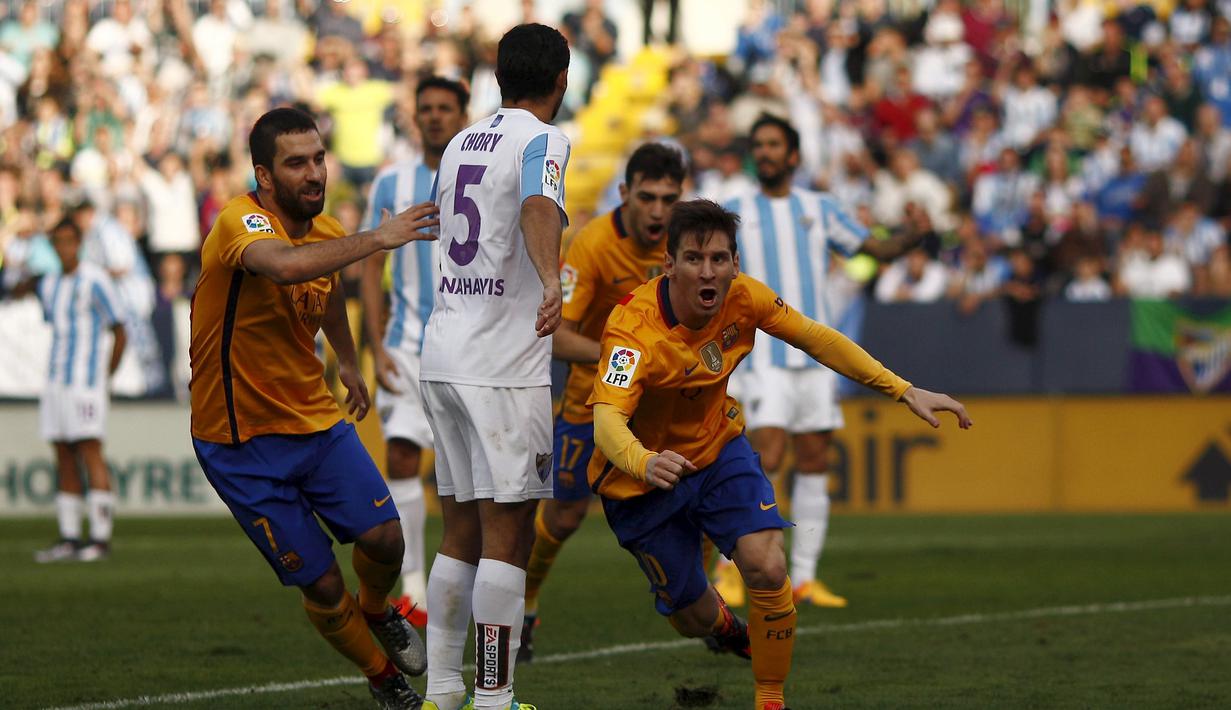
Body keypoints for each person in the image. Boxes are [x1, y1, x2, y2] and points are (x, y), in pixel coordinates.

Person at [588, 199, 971, 710]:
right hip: (642, 482)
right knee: (691, 618)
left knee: (767, 566)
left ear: (735, 264)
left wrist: (902, 389)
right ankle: (726, 629)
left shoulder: (745, 298)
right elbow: (607, 421)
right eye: (695, 259)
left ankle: (770, 698)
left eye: (719, 259)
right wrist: (644, 460)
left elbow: (817, 339)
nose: (708, 271)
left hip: (717, 451)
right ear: (669, 265)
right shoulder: (631, 331)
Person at [189, 107, 440, 710]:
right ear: (264, 175)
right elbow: (283, 267)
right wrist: (376, 238)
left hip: (315, 419)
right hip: (239, 441)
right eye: (296, 163)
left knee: (386, 538)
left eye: (319, 159)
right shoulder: (240, 220)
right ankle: (385, 680)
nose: (314, 173)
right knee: (324, 583)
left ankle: (377, 609)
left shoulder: (325, 230)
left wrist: (348, 361)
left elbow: (325, 293)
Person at [418, 23, 570, 710]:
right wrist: (551, 278)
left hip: (444, 351)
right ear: (561, 81)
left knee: (458, 532)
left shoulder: (459, 142)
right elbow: (539, 203)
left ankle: (442, 691)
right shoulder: (544, 140)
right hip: (501, 365)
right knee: (506, 535)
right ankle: (493, 698)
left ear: (500, 77)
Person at [719, 114, 927, 609]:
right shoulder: (735, 210)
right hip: (761, 357)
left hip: (815, 360)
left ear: (793, 155)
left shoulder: (820, 207)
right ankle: (730, 570)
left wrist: (913, 234)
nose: (764, 152)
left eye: (774, 144)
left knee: (814, 463)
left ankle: (806, 578)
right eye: (759, 145)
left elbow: (874, 248)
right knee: (764, 459)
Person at [519, 142, 686, 663]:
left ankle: (708, 604)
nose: (658, 211)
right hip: (591, 402)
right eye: (647, 197)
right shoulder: (592, 245)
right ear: (624, 193)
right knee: (564, 518)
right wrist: (627, 358)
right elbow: (557, 336)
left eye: (669, 199)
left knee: (696, 496)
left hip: (666, 404)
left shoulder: (686, 248)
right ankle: (525, 600)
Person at [360, 76, 470, 629]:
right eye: (425, 108)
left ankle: (469, 584)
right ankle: (413, 590)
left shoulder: (481, 173)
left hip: (468, 344)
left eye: (444, 108)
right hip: (405, 345)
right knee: (402, 457)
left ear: (462, 114)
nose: (433, 116)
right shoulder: (391, 181)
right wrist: (376, 345)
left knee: (468, 474)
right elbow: (370, 263)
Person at [15, 218, 126, 563]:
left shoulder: (96, 279)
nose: (63, 247)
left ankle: (100, 538)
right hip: (56, 381)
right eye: (57, 242)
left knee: (90, 450)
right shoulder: (50, 284)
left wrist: (105, 376)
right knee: (62, 452)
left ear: (79, 243)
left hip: (86, 382)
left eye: (68, 240)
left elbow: (120, 329)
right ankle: (69, 536)